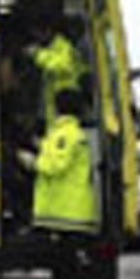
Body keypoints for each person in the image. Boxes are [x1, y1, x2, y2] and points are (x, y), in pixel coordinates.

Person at [17, 88, 101, 235]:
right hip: (66, 214)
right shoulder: (65, 133)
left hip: (67, 214)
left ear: (57, 108)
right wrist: (40, 144)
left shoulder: (65, 134)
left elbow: (55, 165)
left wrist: (31, 162)